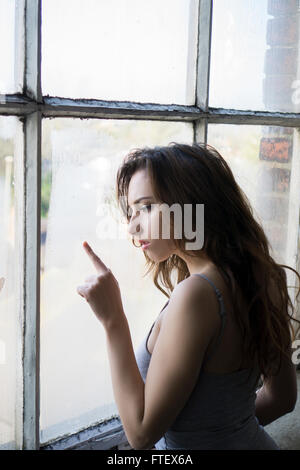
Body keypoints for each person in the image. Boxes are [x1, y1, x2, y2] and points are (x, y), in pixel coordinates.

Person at [77, 142, 300, 450]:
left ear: (190, 203)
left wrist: (113, 318)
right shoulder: (265, 276)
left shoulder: (197, 294)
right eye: (132, 211)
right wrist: (225, 431)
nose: (132, 226)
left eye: (147, 207)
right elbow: (282, 398)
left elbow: (141, 434)